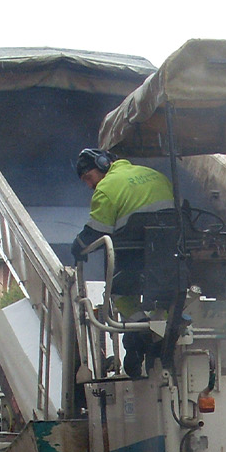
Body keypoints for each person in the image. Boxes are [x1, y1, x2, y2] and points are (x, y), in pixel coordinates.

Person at [70, 148, 176, 378]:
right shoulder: (156, 176)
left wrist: (77, 248)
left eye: (89, 178)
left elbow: (96, 232)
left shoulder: (106, 190)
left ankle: (140, 332)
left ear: (103, 164)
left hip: (136, 262)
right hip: (171, 261)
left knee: (117, 290)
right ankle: (160, 334)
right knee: (167, 296)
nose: (89, 185)